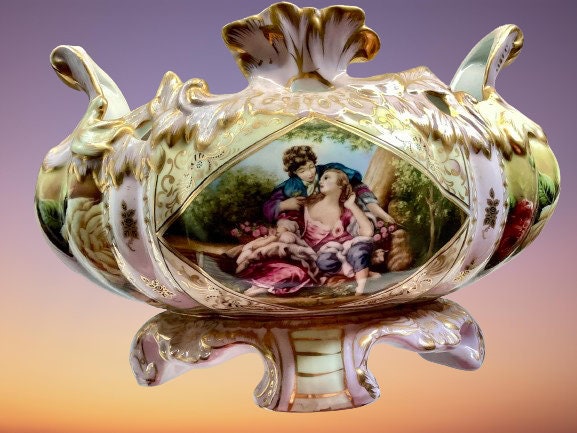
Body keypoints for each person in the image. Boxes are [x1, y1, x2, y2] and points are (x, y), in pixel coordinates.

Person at [240, 169, 375, 296]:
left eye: (326, 178)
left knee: (300, 273)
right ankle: (260, 284)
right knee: (282, 263)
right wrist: (283, 230)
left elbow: (367, 232)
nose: (320, 181)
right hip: (304, 253)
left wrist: (351, 205)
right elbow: (291, 221)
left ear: (341, 184)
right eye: (321, 178)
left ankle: (266, 286)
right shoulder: (309, 202)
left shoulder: (346, 212)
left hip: (324, 260)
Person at [262, 145, 395, 225]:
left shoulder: (327, 170)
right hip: (315, 222)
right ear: (294, 173)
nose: (310, 173)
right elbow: (268, 207)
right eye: (302, 171)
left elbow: (354, 180)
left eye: (311, 167)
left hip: (340, 209)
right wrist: (283, 205)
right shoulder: (289, 186)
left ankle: (376, 210)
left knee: (357, 188)